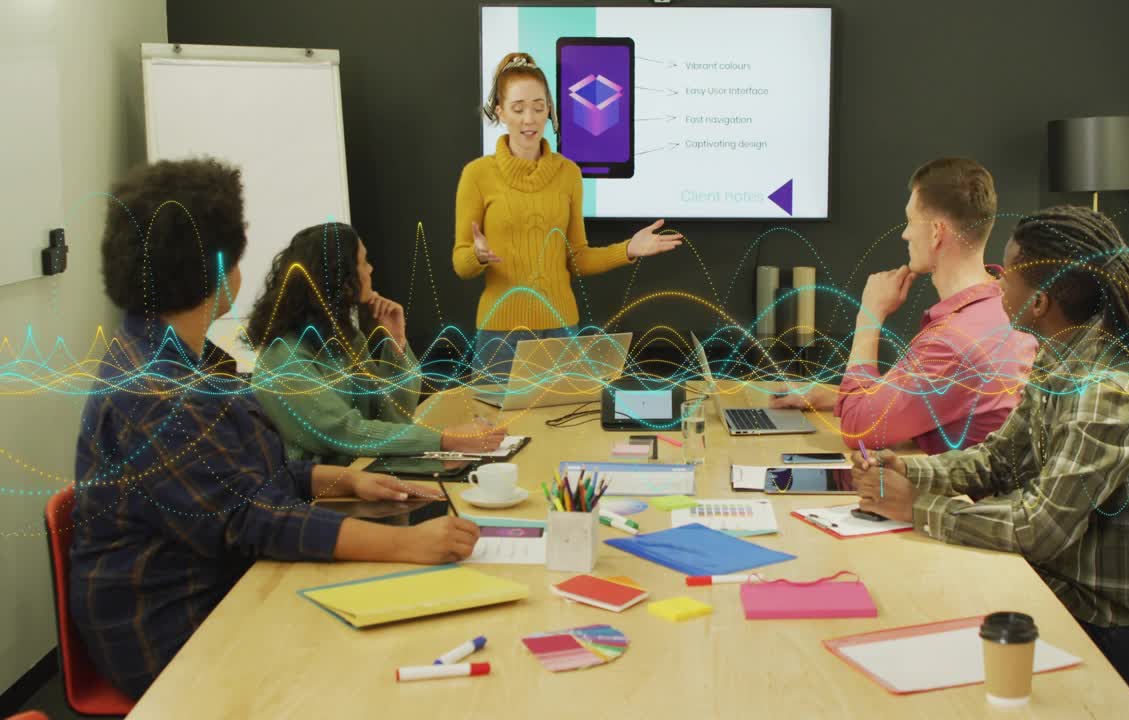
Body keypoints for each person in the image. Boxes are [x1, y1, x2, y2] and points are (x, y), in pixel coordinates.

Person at [71, 159, 481, 699]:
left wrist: (343, 481)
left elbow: (256, 473)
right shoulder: (162, 394)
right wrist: (408, 545)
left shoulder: (180, 359)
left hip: (218, 583)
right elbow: (256, 520)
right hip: (178, 634)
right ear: (222, 270)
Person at [852, 205, 1129, 689]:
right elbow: (1000, 458)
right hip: (1060, 585)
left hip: (1105, 626)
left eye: (1006, 276)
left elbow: (1039, 528)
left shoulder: (1108, 392)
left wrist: (919, 509)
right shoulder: (1060, 355)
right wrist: (913, 475)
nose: (996, 285)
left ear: (1040, 303)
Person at [772, 158, 1037, 454]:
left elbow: (859, 428)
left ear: (937, 232)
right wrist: (835, 396)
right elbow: (939, 398)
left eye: (911, 221)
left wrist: (869, 316)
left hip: (955, 497)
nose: (905, 234)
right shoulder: (1003, 311)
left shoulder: (953, 342)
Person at [454, 52, 683, 380]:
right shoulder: (477, 175)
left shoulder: (568, 174)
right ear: (501, 111)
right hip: (499, 336)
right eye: (518, 109)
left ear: (549, 108)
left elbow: (578, 258)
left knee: (564, 429)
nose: (529, 119)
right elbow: (460, 263)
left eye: (538, 106)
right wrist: (477, 256)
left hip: (561, 330)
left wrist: (628, 249)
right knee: (495, 431)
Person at [248, 222, 505, 464]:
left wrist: (396, 343)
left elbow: (394, 416)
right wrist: (447, 439)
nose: (371, 269)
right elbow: (345, 433)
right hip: (319, 497)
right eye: (363, 262)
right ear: (343, 278)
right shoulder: (283, 357)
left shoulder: (344, 339)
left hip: (365, 472)